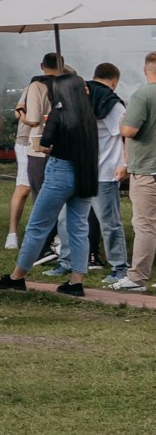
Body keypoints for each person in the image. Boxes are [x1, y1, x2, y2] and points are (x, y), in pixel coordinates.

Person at [0, 57, 99, 297]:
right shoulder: (88, 117)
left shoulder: (58, 114)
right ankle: (76, 281)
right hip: (85, 174)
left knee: (37, 225)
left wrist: (46, 147)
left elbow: (44, 143)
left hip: (59, 172)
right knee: (78, 228)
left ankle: (17, 276)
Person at [86, 64, 129, 285]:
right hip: (94, 170)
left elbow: (125, 136)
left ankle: (120, 266)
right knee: (80, 221)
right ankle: (70, 261)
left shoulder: (109, 104)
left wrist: (124, 163)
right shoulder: (108, 103)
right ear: (115, 81)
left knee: (109, 222)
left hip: (102, 170)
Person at [117, 53, 156, 292]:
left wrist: (123, 123)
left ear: (145, 70)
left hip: (147, 169)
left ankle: (137, 278)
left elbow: (130, 130)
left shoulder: (143, 95)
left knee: (145, 226)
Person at [10, 59, 56, 248]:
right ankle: (13, 233)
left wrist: (24, 117)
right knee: (27, 187)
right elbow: (22, 111)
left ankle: (34, 238)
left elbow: (29, 117)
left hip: (34, 141)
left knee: (31, 188)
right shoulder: (35, 85)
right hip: (30, 141)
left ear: (41, 65)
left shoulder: (38, 85)